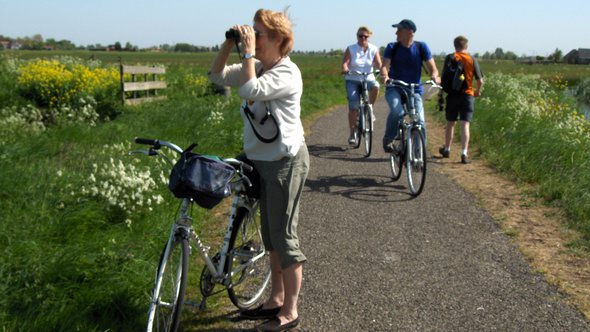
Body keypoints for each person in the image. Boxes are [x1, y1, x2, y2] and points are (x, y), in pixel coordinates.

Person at [208, 8, 308, 332]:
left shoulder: (285, 73)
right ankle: (275, 299)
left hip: (284, 163)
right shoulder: (259, 68)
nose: (252, 38)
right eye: (250, 33)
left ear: (279, 39)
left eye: (258, 33)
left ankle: (289, 312)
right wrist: (229, 43)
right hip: (261, 162)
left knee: (284, 237)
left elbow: (250, 90)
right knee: (269, 238)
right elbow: (217, 76)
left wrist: (248, 52)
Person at [380, 19, 440, 153]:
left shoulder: (421, 47)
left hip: (414, 89)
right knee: (397, 112)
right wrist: (385, 76)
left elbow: (433, 68)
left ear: (409, 32)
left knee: (420, 122)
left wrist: (435, 76)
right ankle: (389, 137)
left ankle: (419, 156)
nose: (396, 33)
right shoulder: (392, 47)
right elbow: (385, 66)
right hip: (395, 87)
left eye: (399, 30)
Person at [438, 35, 484, 164]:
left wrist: (441, 93)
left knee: (450, 123)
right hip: (467, 95)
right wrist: (477, 92)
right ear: (466, 46)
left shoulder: (450, 57)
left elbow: (444, 78)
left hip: (452, 95)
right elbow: (480, 80)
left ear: (455, 45)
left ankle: (447, 149)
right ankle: (464, 153)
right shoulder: (471, 59)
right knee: (465, 124)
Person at [341, 26, 383, 145]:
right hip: (353, 78)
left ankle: (369, 109)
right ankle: (353, 133)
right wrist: (345, 69)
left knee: (376, 86)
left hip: (368, 77)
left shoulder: (374, 49)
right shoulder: (351, 48)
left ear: (369, 37)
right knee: (353, 105)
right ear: (357, 36)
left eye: (365, 36)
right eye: (360, 36)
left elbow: (378, 63)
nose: (363, 38)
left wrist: (382, 71)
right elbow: (345, 63)